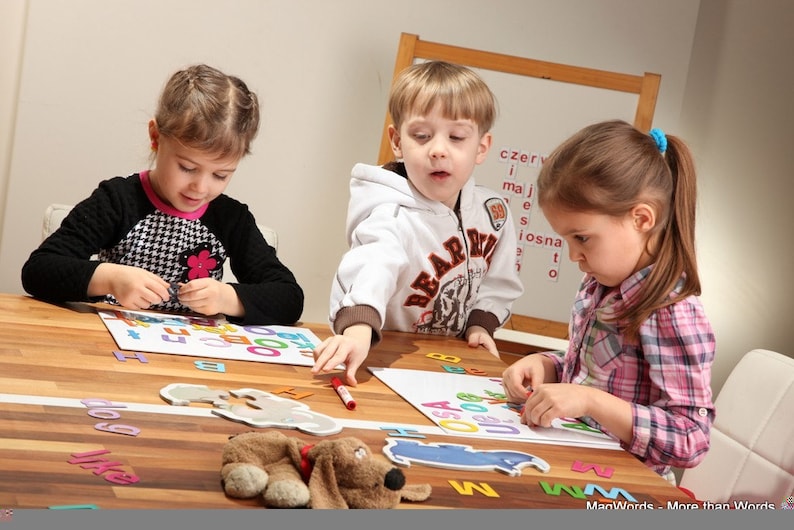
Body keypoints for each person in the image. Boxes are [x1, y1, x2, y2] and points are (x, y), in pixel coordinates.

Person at [500, 119, 715, 483]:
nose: (573, 256)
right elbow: (593, 373)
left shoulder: (673, 312)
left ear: (642, 218)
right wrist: (546, 366)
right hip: (573, 469)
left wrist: (590, 402)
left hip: (624, 491)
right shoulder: (599, 285)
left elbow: (691, 437)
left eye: (582, 238)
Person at [21, 64, 304, 325]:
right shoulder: (118, 200)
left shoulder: (231, 218)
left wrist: (228, 298)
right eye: (187, 167)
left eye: (221, 175)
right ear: (156, 137)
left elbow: (289, 298)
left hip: (190, 359)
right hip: (109, 349)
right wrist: (109, 278)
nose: (201, 187)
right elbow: (38, 270)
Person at [312, 60, 523, 386]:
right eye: (422, 136)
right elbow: (375, 266)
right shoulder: (390, 214)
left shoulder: (493, 214)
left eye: (456, 137)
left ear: (481, 147)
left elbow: (498, 282)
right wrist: (357, 331)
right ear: (397, 142)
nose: (438, 150)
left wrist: (480, 325)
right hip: (379, 356)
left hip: (451, 362)